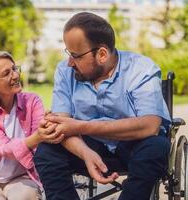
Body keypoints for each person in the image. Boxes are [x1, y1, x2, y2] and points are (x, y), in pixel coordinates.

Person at [34, 12, 171, 200]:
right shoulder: (65, 71)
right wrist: (85, 153)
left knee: (156, 147)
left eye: (75, 55)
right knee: (47, 152)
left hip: (132, 144)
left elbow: (150, 125)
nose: (70, 62)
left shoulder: (141, 68)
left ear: (102, 54)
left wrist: (81, 126)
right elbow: (60, 125)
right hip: (88, 145)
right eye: (68, 53)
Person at [0, 50, 64, 200]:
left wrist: (47, 125)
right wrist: (37, 137)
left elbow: (40, 136)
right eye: (6, 73)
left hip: (23, 175)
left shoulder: (32, 101)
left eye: (14, 69)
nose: (16, 75)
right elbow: (3, 147)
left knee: (25, 196)